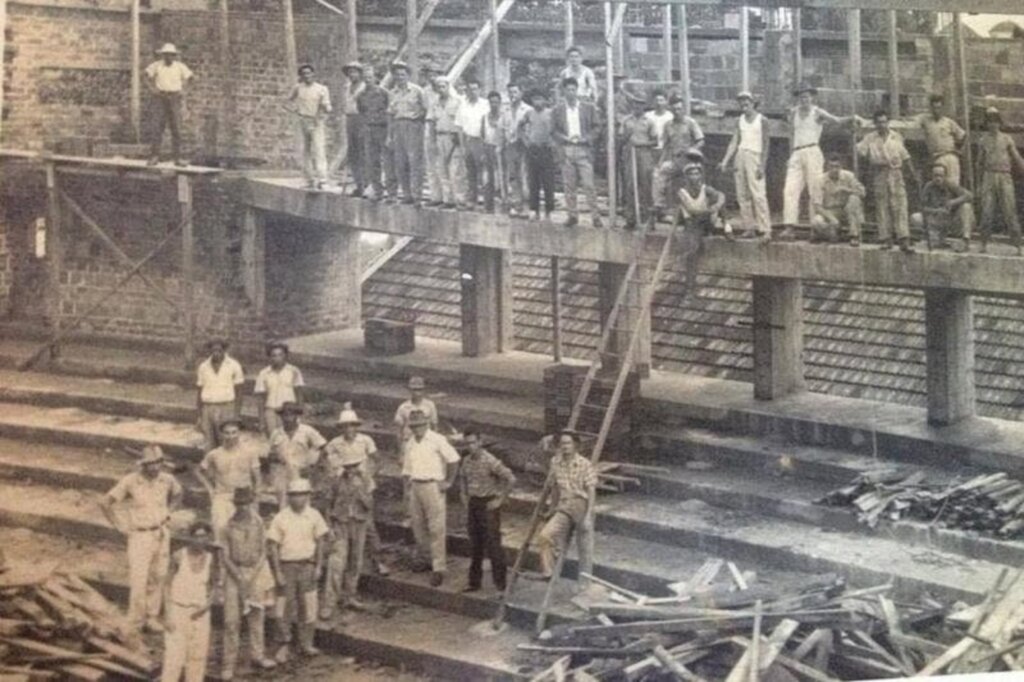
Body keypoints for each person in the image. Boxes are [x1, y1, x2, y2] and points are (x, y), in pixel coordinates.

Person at [99, 445, 183, 633]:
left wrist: (169, 513)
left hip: (161, 533)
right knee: (139, 579)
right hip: (140, 535)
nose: (154, 467)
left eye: (157, 463)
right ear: (143, 465)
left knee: (159, 576)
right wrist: (119, 526)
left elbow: (179, 494)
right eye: (150, 464)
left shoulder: (167, 479)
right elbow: (105, 503)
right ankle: (135, 620)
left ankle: (151, 617)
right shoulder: (131, 481)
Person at [321, 403, 389, 578]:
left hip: (363, 486)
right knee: (344, 521)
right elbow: (324, 460)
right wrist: (335, 474)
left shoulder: (366, 440)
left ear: (356, 426)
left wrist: (368, 475)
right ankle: (347, 562)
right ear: (341, 427)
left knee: (369, 525)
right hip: (344, 487)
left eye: (352, 425)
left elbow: (378, 460)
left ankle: (378, 560)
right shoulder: (335, 443)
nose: (349, 429)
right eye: (345, 426)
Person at [267, 478, 329, 663]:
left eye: (301, 495)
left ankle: (306, 643)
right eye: (293, 495)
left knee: (308, 606)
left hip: (307, 565)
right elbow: (272, 547)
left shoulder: (314, 515)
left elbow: (321, 542)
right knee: (283, 606)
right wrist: (277, 572)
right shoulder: (281, 517)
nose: (297, 499)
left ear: (308, 496)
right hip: (287, 566)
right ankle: (284, 643)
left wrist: (318, 566)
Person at [782, 82, 858, 231]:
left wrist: (852, 118)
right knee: (790, 189)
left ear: (812, 98)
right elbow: (792, 134)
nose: (804, 100)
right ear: (798, 98)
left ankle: (814, 226)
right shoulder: (793, 112)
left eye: (807, 97)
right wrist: (790, 154)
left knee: (814, 189)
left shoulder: (817, 112)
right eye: (801, 97)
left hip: (812, 151)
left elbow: (836, 120)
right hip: (797, 152)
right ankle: (789, 226)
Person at [221, 487, 277, 679]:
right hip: (234, 573)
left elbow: (263, 551)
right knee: (231, 621)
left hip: (256, 571)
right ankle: (228, 664)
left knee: (256, 616)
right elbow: (225, 557)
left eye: (246, 503)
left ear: (251, 503)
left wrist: (252, 576)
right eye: (239, 503)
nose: (243, 507)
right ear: (235, 504)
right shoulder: (228, 526)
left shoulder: (259, 522)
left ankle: (257, 655)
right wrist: (239, 577)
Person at [402, 410, 460, 586]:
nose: (416, 429)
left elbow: (453, 459)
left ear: (426, 424)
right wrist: (406, 489)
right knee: (418, 526)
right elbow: (406, 469)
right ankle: (426, 559)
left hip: (433, 485)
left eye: (419, 425)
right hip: (415, 486)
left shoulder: (437, 439)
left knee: (436, 527)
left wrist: (448, 481)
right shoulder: (410, 443)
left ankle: (439, 567)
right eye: (413, 426)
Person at [320, 437, 374, 619]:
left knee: (355, 562)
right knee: (337, 563)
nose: (351, 469)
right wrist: (329, 526)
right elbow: (328, 503)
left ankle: (349, 596)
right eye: (348, 466)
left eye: (354, 465)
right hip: (340, 523)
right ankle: (329, 603)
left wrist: (360, 491)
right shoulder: (336, 481)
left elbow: (370, 505)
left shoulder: (366, 480)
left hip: (359, 524)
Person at [534, 431, 597, 581]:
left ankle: (584, 585)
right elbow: (555, 487)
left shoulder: (584, 464)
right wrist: (551, 508)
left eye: (568, 443)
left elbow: (591, 491)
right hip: (564, 506)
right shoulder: (555, 462)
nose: (565, 447)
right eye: (562, 444)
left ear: (575, 446)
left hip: (581, 504)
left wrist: (588, 516)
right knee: (544, 536)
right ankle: (549, 572)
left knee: (585, 548)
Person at [160, 521, 218, 682]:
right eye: (197, 536)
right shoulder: (179, 556)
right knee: (174, 658)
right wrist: (168, 614)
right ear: (190, 537)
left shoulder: (211, 559)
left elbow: (214, 586)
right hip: (178, 610)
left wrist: (206, 606)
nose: (201, 540)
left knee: (197, 658)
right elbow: (166, 585)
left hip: (200, 614)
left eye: (204, 537)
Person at [458, 430, 515, 593]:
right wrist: (463, 493)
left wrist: (500, 499)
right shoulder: (466, 461)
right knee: (475, 545)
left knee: (493, 546)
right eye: (467, 443)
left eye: (473, 443)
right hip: (474, 504)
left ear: (480, 442)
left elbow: (510, 478)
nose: (470, 447)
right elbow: (462, 477)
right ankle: (474, 583)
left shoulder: (490, 461)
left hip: (488, 504)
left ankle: (501, 586)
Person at [857, 109, 919, 252]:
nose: (882, 125)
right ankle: (886, 239)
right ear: (875, 124)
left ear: (888, 122)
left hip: (896, 172)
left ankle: (904, 240)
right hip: (879, 173)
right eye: (879, 123)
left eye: (884, 122)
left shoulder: (896, 136)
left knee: (900, 204)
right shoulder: (869, 138)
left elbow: (906, 156)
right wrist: (872, 161)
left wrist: (913, 174)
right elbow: (860, 152)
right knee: (882, 206)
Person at [197, 418, 261, 543]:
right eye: (227, 433)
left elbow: (257, 476)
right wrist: (210, 489)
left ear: (239, 433)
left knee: (246, 534)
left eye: (234, 432)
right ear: (221, 434)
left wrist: (256, 496)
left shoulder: (250, 452)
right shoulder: (214, 454)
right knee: (220, 531)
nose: (230, 436)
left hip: (244, 497)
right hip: (223, 496)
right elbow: (199, 471)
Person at [719, 92, 771, 239]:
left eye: (747, 101)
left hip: (755, 156)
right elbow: (734, 141)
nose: (744, 104)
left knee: (758, 194)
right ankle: (749, 228)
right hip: (740, 156)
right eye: (741, 102)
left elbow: (766, 144)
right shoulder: (739, 120)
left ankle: (766, 229)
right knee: (742, 195)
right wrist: (725, 161)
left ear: (753, 102)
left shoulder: (763, 120)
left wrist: (762, 165)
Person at [552, 77, 602, 228]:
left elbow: (597, 127)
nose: (571, 92)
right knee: (569, 185)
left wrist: (585, 139)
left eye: (573, 89)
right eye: (568, 90)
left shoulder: (588, 108)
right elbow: (553, 130)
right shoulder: (558, 110)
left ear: (577, 91)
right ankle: (572, 215)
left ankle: (596, 216)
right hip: (567, 149)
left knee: (589, 185)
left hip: (583, 149)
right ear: (563, 92)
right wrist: (565, 138)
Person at [675, 157, 730, 291]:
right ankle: (690, 289)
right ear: (686, 177)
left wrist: (716, 205)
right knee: (692, 252)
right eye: (691, 174)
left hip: (704, 222)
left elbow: (721, 196)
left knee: (719, 203)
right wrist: (711, 209)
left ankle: (728, 228)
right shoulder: (682, 192)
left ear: (700, 175)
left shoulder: (706, 189)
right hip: (691, 223)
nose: (694, 176)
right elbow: (692, 210)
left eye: (697, 173)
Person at [976, 107, 1024, 255]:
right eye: (990, 121)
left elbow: (1016, 158)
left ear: (999, 123)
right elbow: (979, 163)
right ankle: (983, 244)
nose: (993, 125)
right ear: (987, 123)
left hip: (1004, 176)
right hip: (989, 176)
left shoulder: (1006, 139)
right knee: (987, 211)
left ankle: (1018, 246)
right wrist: (979, 184)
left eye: (995, 121)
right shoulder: (983, 140)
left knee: (1010, 210)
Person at [652, 95, 705, 223]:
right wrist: (660, 163)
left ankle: (695, 211)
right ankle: (659, 206)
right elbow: (666, 146)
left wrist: (691, 150)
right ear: (671, 109)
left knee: (692, 179)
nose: (677, 111)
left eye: (680, 109)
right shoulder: (668, 125)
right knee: (659, 173)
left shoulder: (690, 122)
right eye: (675, 109)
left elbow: (701, 141)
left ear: (683, 109)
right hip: (675, 160)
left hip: (690, 160)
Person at [268, 402, 326, 509]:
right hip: (282, 473)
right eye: (285, 415)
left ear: (296, 416)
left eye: (291, 414)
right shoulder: (276, 433)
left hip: (300, 472)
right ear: (281, 417)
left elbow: (322, 446)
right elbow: (270, 453)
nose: (288, 417)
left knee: (302, 503)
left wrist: (313, 467)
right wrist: (275, 457)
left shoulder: (307, 430)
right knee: (283, 504)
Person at [387, 61, 429, 205]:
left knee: (415, 161)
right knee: (400, 162)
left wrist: (418, 122)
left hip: (413, 126)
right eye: (397, 75)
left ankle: (417, 195)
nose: (400, 77)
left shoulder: (417, 91)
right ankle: (407, 195)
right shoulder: (392, 93)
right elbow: (391, 115)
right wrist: (390, 135)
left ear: (408, 76)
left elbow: (426, 110)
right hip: (398, 126)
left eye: (403, 74)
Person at [145, 43, 194, 167]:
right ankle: (154, 156)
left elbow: (191, 78)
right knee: (157, 128)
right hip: (160, 98)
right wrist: (152, 89)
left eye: (171, 55)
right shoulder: (156, 65)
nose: (169, 57)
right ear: (163, 55)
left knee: (176, 128)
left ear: (175, 56)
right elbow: (145, 75)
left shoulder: (180, 67)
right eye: (166, 55)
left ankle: (177, 158)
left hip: (175, 98)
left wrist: (185, 91)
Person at [286, 64, 332, 190]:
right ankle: (309, 179)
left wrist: (324, 112)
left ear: (313, 74)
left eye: (309, 73)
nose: (307, 76)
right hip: (303, 120)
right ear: (301, 76)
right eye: (304, 74)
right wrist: (295, 110)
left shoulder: (322, 89)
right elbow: (287, 101)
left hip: (316, 121)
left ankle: (323, 180)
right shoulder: (298, 88)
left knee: (319, 149)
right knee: (304, 150)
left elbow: (327, 106)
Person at [911, 162, 974, 252]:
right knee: (915, 217)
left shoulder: (950, 184)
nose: (938, 178)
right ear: (932, 176)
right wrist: (936, 211)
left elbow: (969, 195)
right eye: (935, 176)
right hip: (937, 219)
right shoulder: (928, 187)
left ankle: (965, 240)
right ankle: (937, 238)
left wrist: (953, 202)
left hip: (951, 220)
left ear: (945, 176)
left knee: (966, 207)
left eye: (941, 176)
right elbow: (922, 207)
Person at [195, 339, 244, 452]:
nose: (216, 353)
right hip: (208, 408)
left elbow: (239, 391)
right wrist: (199, 415)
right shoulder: (203, 367)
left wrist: (236, 413)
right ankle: (211, 466)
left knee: (227, 439)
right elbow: (199, 392)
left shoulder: (233, 365)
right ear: (209, 351)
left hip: (226, 406)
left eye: (219, 350)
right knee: (209, 441)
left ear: (224, 351)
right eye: (213, 350)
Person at [907, 94, 966, 186]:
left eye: (939, 108)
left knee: (953, 185)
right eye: (934, 108)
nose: (936, 111)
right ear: (931, 108)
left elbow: (962, 135)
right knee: (939, 186)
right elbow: (911, 124)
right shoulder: (925, 120)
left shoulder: (949, 122)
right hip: (936, 157)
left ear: (942, 108)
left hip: (950, 156)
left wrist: (958, 149)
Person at [619, 93, 658, 229]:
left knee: (646, 186)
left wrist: (641, 144)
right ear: (632, 105)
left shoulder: (649, 121)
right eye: (635, 103)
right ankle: (631, 218)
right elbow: (621, 140)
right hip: (630, 155)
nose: (637, 106)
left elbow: (655, 142)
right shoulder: (626, 121)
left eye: (640, 104)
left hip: (645, 155)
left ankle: (649, 220)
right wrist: (627, 135)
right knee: (630, 186)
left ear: (644, 106)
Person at [812, 155, 866, 246]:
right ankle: (834, 233)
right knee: (816, 221)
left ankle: (854, 236)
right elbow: (817, 206)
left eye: (837, 166)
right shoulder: (820, 180)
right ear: (826, 167)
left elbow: (862, 193)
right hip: (830, 211)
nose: (834, 169)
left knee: (854, 199)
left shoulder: (848, 176)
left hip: (846, 211)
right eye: (831, 166)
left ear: (841, 167)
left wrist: (845, 189)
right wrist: (832, 219)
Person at [254, 341, 305, 437]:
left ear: (285, 356)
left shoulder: (294, 371)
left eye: (280, 355)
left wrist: (299, 412)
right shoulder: (264, 373)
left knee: (290, 437)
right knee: (273, 439)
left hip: (289, 411)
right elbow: (260, 398)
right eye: (274, 355)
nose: (277, 358)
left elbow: (299, 392)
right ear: (269, 357)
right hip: (271, 411)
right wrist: (261, 420)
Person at [427, 76, 463, 209]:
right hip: (439, 136)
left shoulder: (457, 101)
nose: (441, 89)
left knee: (455, 170)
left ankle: (459, 200)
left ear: (448, 87)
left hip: (453, 138)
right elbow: (431, 122)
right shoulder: (434, 102)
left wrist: (460, 138)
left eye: (444, 86)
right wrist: (432, 141)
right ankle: (446, 199)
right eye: (438, 87)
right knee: (440, 168)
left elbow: (461, 122)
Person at [456, 79, 490, 211]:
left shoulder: (485, 105)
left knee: (484, 171)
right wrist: (462, 144)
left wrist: (485, 142)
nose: (472, 92)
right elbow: (459, 126)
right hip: (468, 140)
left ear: (480, 90)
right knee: (470, 171)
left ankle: (485, 199)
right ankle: (472, 199)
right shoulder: (463, 105)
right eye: (470, 89)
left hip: (481, 141)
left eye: (475, 89)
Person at [522, 89, 556, 222]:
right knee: (533, 181)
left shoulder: (551, 113)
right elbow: (520, 126)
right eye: (535, 99)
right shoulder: (529, 113)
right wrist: (526, 140)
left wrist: (553, 143)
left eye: (540, 98)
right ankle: (534, 210)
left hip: (546, 150)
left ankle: (549, 211)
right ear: (531, 101)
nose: (538, 102)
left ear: (545, 100)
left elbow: (558, 129)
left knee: (548, 182)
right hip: (533, 150)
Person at [357, 67, 390, 200]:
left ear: (375, 78)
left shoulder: (384, 93)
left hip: (383, 128)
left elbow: (390, 110)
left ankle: (390, 190)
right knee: (372, 160)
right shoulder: (361, 95)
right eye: (365, 78)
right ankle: (377, 190)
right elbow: (362, 111)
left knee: (387, 160)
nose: (368, 80)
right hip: (369, 129)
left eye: (370, 78)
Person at [505, 83, 533, 218]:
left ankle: (527, 206)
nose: (512, 95)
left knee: (524, 175)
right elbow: (503, 127)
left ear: (521, 93)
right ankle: (516, 204)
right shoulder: (505, 109)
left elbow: (531, 130)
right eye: (510, 92)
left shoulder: (528, 109)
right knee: (512, 176)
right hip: (510, 146)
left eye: (515, 92)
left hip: (524, 146)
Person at [482, 90, 511, 213]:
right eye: (492, 102)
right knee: (488, 178)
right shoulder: (484, 117)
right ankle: (488, 205)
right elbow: (482, 134)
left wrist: (502, 146)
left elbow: (507, 134)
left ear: (500, 103)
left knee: (503, 176)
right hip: (489, 148)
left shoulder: (504, 117)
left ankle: (505, 201)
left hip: (501, 149)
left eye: (496, 102)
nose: (494, 104)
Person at [342, 61, 367, 196]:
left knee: (362, 152)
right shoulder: (347, 87)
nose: (352, 75)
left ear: (360, 74)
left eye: (355, 72)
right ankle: (358, 184)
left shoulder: (364, 87)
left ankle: (366, 185)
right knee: (353, 154)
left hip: (361, 119)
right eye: (350, 72)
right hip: (350, 119)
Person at [393, 376, 439, 445]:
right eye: (414, 389)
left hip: (425, 441)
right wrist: (401, 447)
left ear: (424, 390)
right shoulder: (403, 407)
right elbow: (399, 430)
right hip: (409, 440)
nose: (417, 392)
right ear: (410, 390)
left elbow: (434, 426)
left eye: (420, 389)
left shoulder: (430, 405)